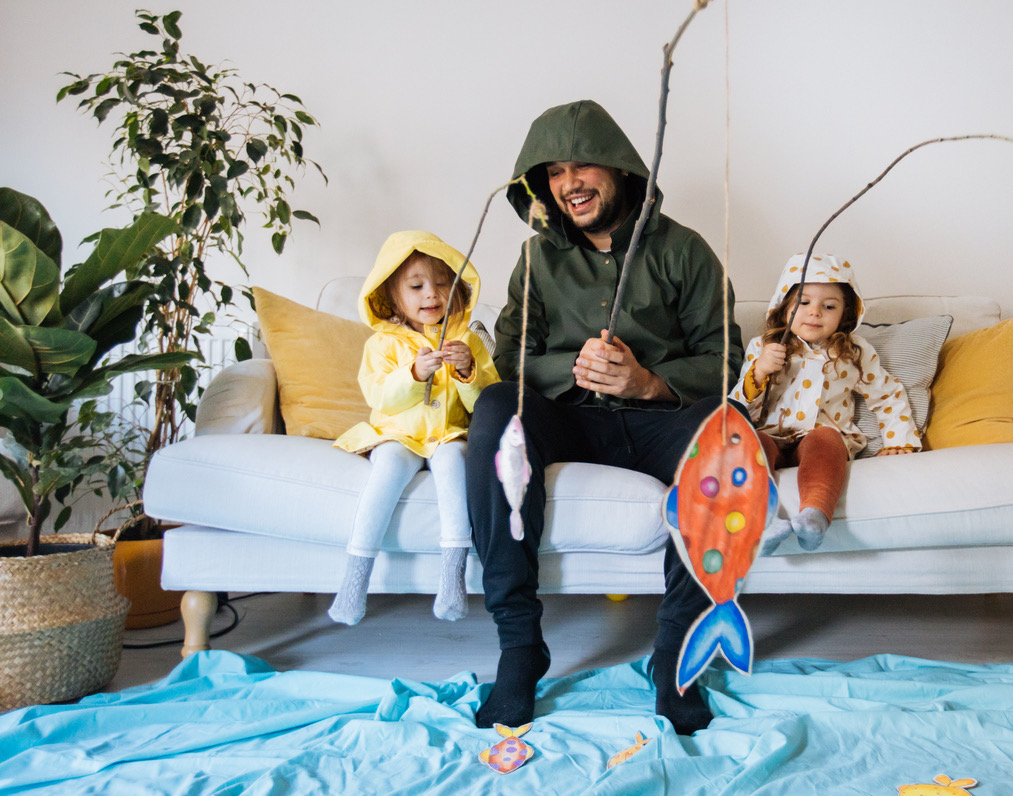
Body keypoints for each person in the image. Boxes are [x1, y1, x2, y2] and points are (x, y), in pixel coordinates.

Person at [466, 99, 743, 735]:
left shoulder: (685, 250)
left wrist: (648, 381)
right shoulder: (535, 260)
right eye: (556, 172)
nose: (571, 184)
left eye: (584, 164)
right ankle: (519, 649)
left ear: (619, 168)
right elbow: (510, 358)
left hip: (656, 423)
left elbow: (725, 361)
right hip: (569, 421)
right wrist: (574, 368)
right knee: (494, 407)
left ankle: (674, 651)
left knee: (729, 432)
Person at [330, 230, 499, 625]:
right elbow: (380, 398)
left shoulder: (468, 340)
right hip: (398, 435)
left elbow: (486, 405)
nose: (432, 295)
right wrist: (413, 373)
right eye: (417, 286)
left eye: (443, 284)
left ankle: (452, 579)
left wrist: (466, 370)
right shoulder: (382, 344)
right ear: (392, 297)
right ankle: (354, 584)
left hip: (449, 435)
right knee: (386, 471)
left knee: (456, 467)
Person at [732, 252, 920, 555]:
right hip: (771, 435)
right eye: (803, 303)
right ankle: (761, 521)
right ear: (784, 307)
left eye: (828, 306)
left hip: (820, 437)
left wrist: (899, 440)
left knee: (826, 439)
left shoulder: (853, 352)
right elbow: (739, 408)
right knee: (750, 444)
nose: (815, 312)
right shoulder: (764, 347)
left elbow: (886, 395)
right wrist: (760, 371)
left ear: (845, 314)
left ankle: (814, 516)